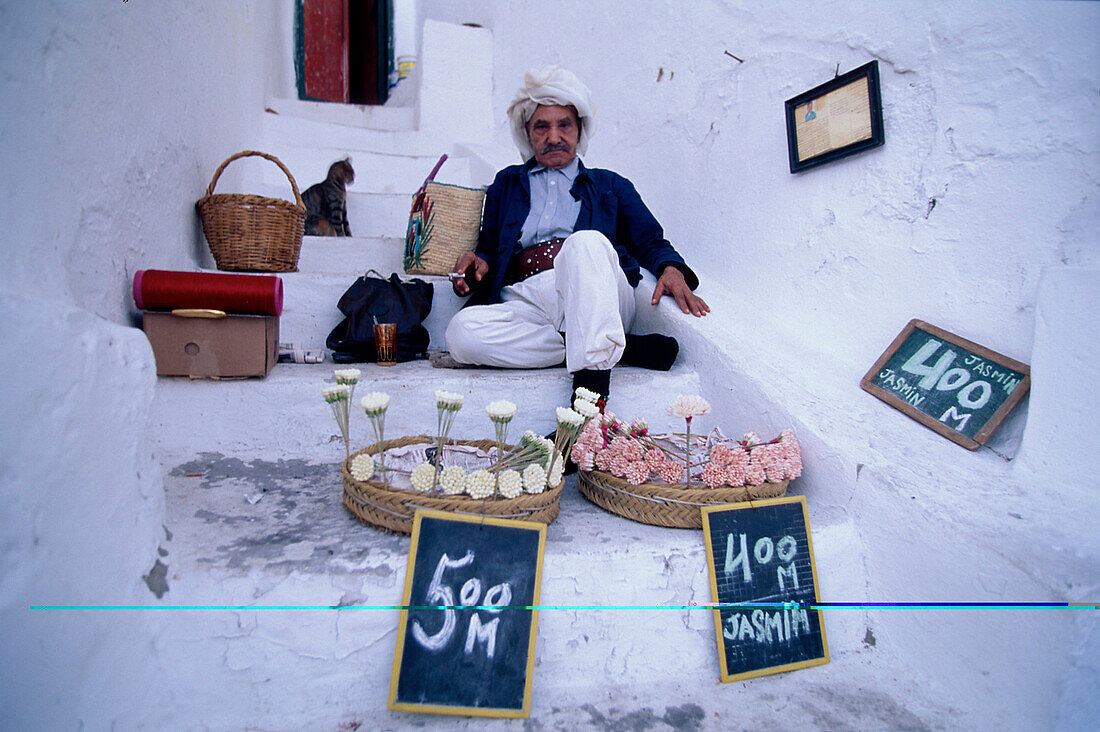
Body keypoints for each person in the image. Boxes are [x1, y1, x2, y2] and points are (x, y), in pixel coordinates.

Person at [445, 66, 709, 405]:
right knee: (460, 334)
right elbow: (488, 248)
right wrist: (476, 264)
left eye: (564, 125)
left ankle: (587, 408)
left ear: (579, 129)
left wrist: (670, 268)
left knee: (585, 242)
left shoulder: (610, 184)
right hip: (528, 298)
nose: (554, 137)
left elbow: (650, 240)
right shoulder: (507, 183)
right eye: (542, 126)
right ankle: (615, 346)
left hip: (596, 290)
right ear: (528, 132)